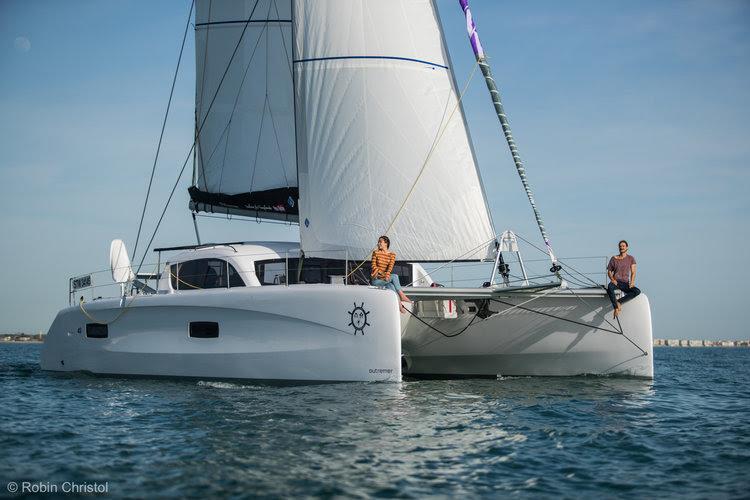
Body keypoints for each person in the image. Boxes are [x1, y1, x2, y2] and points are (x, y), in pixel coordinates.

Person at [370, 235, 412, 312]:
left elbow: (390, 268)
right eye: (378, 242)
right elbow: (374, 266)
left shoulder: (392, 255)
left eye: (380, 242)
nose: (378, 243)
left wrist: (387, 275)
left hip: (385, 279)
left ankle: (399, 306)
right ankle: (402, 295)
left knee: (392, 287)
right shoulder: (375, 253)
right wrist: (385, 275)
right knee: (395, 276)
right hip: (376, 280)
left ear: (386, 243)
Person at [606, 240, 641, 318]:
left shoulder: (631, 258)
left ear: (627, 247)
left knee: (637, 291)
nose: (621, 247)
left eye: (623, 246)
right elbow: (609, 271)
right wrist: (612, 279)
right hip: (616, 282)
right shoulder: (614, 258)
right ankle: (615, 307)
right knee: (610, 287)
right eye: (620, 246)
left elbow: (633, 272)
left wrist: (632, 282)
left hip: (625, 283)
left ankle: (619, 302)